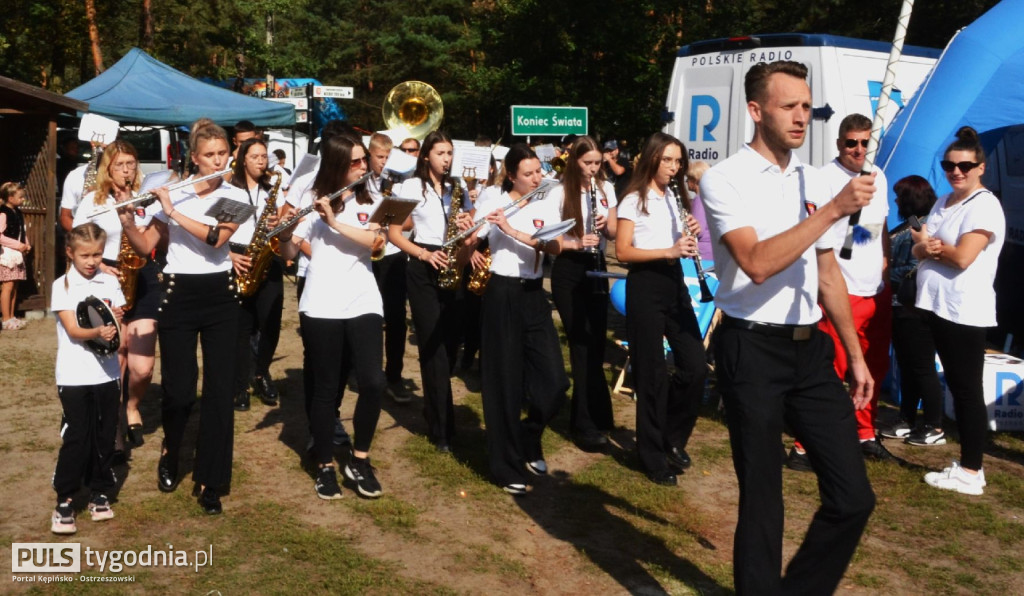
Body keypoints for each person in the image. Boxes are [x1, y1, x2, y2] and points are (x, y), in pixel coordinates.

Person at [700, 60, 877, 594]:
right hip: (750, 348)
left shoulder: (814, 179)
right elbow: (755, 262)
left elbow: (827, 272)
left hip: (810, 351)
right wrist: (832, 211)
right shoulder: (724, 178)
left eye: (807, 107)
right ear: (756, 111)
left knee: (853, 497)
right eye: (789, 106)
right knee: (763, 498)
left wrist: (857, 355)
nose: (802, 117)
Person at [118, 118, 247, 515]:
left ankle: (211, 479)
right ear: (194, 157)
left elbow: (216, 238)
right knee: (178, 390)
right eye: (209, 155)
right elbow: (145, 247)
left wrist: (171, 211)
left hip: (220, 294)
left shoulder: (236, 193)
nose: (218, 161)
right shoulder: (173, 190)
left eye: (223, 154)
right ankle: (171, 451)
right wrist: (127, 221)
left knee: (220, 390)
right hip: (177, 293)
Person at [278, 134, 386, 500]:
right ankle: (324, 465)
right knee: (326, 389)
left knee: (373, 381)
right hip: (321, 302)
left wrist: (334, 221)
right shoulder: (313, 199)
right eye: (355, 162)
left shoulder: (373, 200)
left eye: (363, 160)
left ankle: (360, 458)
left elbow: (376, 244)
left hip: (363, 299)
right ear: (337, 165)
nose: (363, 167)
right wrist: (284, 233)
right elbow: (290, 251)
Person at [789, 113, 895, 470]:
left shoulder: (877, 175)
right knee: (831, 371)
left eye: (865, 142)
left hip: (875, 290)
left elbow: (878, 227)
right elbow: (817, 238)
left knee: (873, 368)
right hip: (841, 290)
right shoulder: (823, 179)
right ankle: (805, 445)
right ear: (839, 143)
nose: (858, 149)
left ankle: (865, 433)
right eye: (851, 142)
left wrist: (885, 261)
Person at [468, 143, 568, 496]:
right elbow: (469, 243)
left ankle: (529, 436)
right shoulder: (493, 201)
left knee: (555, 381)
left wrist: (514, 231)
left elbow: (555, 246)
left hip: (534, 293)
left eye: (538, 171)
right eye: (528, 174)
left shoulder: (546, 201)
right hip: (502, 293)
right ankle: (505, 464)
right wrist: (471, 242)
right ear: (511, 175)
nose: (536, 178)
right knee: (504, 383)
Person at [912, 126, 1005, 495]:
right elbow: (919, 247)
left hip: (963, 309)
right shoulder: (944, 202)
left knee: (966, 390)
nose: (956, 172)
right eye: (949, 165)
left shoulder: (984, 205)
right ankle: (967, 465)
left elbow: (964, 257)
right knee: (956, 384)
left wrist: (932, 247)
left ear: (980, 167)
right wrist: (931, 248)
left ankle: (971, 470)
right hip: (936, 305)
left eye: (965, 166)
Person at [615, 132, 707, 485]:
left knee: (695, 366)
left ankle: (671, 438)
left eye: (678, 161)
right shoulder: (633, 201)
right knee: (652, 376)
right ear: (652, 159)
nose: (674, 167)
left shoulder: (674, 197)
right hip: (645, 285)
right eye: (667, 159)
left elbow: (678, 243)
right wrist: (669, 250)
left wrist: (691, 235)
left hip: (674, 285)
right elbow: (623, 251)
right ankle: (652, 455)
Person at [71, 140, 160, 450]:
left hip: (143, 274)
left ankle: (132, 404)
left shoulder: (145, 198)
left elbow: (152, 240)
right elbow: (77, 244)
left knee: (143, 365)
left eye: (131, 164)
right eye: (119, 165)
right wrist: (98, 267)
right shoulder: (92, 203)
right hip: (107, 275)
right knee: (117, 356)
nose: (126, 170)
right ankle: (116, 429)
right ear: (107, 168)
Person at [389, 131, 473, 451]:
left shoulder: (458, 187)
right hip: (423, 266)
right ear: (426, 156)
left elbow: (468, 224)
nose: (447, 159)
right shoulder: (410, 186)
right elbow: (395, 233)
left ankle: (434, 408)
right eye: (441, 153)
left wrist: (469, 224)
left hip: (452, 262)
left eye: (450, 153)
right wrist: (423, 254)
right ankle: (441, 430)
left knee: (450, 346)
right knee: (433, 347)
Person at [49, 222, 125, 534]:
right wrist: (98, 330)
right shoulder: (62, 286)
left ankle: (100, 492)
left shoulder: (109, 281)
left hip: (107, 374)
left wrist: (117, 317)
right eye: (85, 255)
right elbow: (74, 330)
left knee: (105, 434)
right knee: (78, 436)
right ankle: (65, 499)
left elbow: (118, 314)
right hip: (75, 374)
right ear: (70, 252)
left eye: (97, 254)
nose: (92, 261)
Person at [549, 135, 617, 452]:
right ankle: (582, 423)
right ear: (574, 162)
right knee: (580, 341)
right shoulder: (559, 191)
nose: (592, 169)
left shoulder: (605, 189)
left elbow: (615, 232)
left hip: (597, 265)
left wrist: (606, 224)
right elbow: (548, 240)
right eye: (587, 163)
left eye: (597, 163)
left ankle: (599, 411)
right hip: (568, 269)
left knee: (597, 340)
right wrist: (576, 240)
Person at [879, 176, 940, 441]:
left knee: (922, 366)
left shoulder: (919, 226)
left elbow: (912, 265)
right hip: (900, 305)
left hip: (913, 307)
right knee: (906, 364)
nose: (895, 201)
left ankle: (934, 424)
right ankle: (907, 417)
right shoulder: (909, 225)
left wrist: (885, 272)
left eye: (899, 196)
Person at [228, 138, 285, 411]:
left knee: (271, 321)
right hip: (238, 256)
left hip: (266, 255)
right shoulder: (228, 189)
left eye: (264, 156)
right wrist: (229, 255)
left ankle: (261, 373)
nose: (262, 161)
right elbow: (214, 229)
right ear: (243, 160)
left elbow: (283, 223)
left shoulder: (273, 188)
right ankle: (239, 385)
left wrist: (280, 221)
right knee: (240, 327)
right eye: (255, 156)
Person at [368, 132, 412, 403]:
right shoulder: (362, 183)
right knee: (371, 319)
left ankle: (394, 377)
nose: (383, 162)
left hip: (393, 254)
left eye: (387, 157)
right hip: (368, 255)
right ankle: (371, 375)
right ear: (370, 155)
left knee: (396, 320)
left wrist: (388, 222)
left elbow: (410, 221)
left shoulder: (400, 183)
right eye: (379, 157)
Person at [0, 182, 31, 330]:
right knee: (8, 286)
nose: (22, 200)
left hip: (17, 253)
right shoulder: (3, 213)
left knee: (15, 286)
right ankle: (5, 318)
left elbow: (22, 232)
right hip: (7, 254)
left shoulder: (18, 213)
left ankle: (12, 316)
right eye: (20, 197)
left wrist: (26, 243)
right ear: (10, 198)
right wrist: (18, 245)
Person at [685, 161, 714, 262]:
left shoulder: (699, 200)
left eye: (688, 179)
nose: (687, 182)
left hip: (702, 255)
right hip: (712, 252)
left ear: (695, 180)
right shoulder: (711, 198)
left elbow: (697, 231)